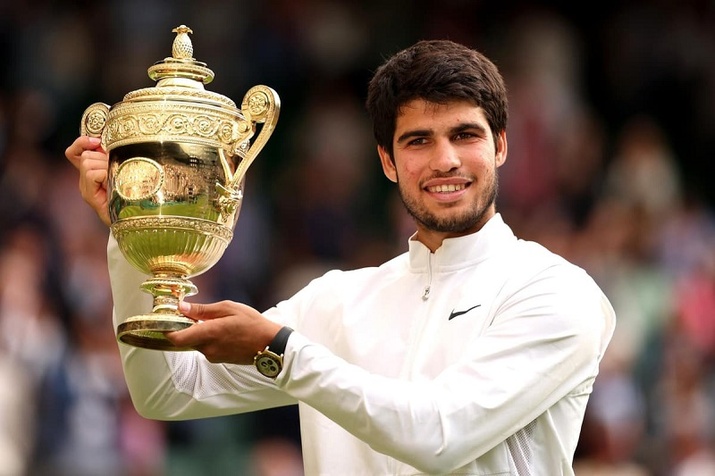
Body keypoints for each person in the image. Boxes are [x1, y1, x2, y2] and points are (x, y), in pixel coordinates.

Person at [65, 39, 616, 475]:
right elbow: (167, 391)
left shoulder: (556, 292)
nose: (445, 160)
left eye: (465, 135)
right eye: (418, 140)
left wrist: (282, 351)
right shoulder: (337, 301)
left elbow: (440, 435)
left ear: (500, 145)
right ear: (387, 161)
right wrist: (132, 228)